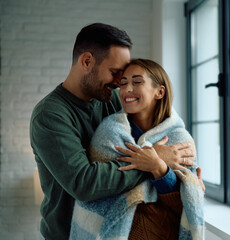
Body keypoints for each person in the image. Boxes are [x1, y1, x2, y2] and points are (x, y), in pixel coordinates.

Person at [30, 23, 195, 240]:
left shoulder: (113, 99)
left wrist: (188, 180)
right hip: (70, 234)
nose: (120, 83)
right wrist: (152, 162)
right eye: (115, 73)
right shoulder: (50, 115)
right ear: (87, 61)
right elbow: (84, 183)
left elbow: (159, 124)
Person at [70, 59, 205, 240]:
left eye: (137, 82)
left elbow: (185, 205)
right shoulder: (108, 133)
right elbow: (99, 186)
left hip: (162, 233)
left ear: (160, 91)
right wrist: (152, 161)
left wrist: (158, 167)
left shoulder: (180, 140)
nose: (126, 90)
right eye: (123, 83)